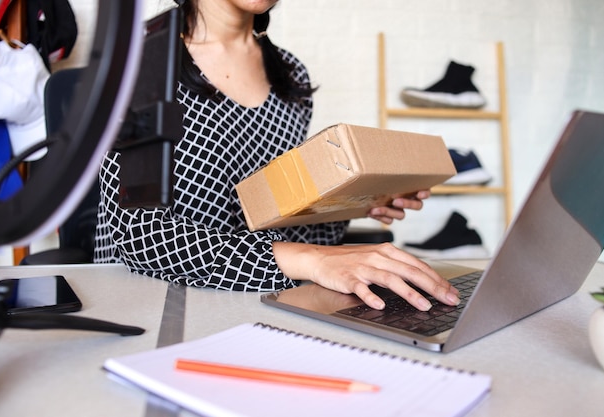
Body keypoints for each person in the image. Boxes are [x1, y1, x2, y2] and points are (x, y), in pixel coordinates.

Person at [94, 0, 460, 312]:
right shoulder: (140, 60)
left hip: (252, 296)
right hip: (149, 299)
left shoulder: (291, 76)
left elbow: (277, 217)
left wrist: (357, 200)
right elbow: (139, 235)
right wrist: (313, 259)